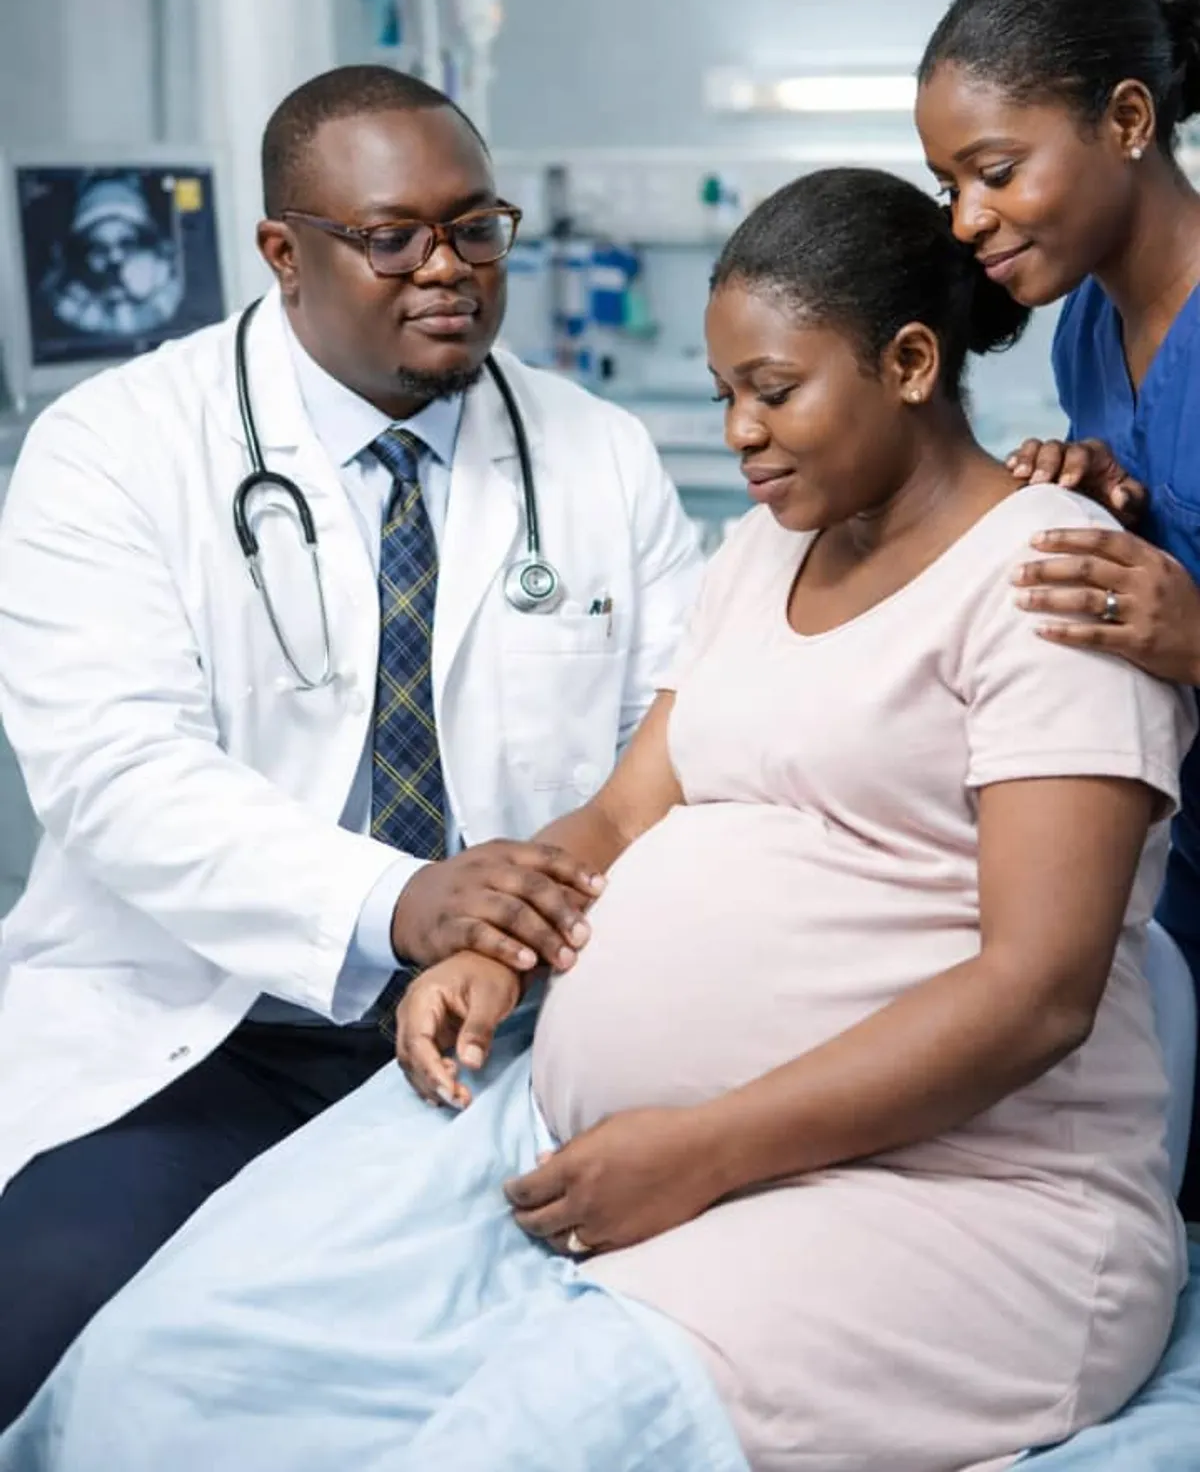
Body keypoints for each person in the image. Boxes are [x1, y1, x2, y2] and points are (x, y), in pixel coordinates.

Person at [5, 168, 1192, 1472]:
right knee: (171, 1365)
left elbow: (1037, 994)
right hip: (591, 1133)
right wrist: (487, 942)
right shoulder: (759, 555)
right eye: (727, 389)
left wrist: (700, 1151)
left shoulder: (1052, 581)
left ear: (910, 362)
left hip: (946, 1195)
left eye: (775, 390)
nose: (739, 430)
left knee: (520, 1440)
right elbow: (625, 810)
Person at [0, 65, 701, 1425]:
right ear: (283, 252)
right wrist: (398, 902)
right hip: (206, 1036)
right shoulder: (116, 448)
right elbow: (113, 775)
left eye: (476, 229)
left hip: (511, 1034)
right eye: (394, 238)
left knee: (536, 1386)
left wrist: (495, 942)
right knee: (43, 1330)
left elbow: (668, 760)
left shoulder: (599, 455)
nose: (448, 269)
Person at [915, 0, 1200, 1216]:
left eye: (995, 170)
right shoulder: (1091, 325)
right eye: (947, 185)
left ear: (1127, 121)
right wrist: (1097, 484)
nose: (967, 217)